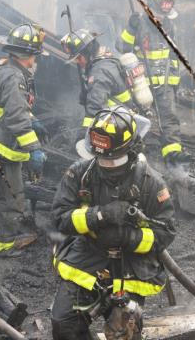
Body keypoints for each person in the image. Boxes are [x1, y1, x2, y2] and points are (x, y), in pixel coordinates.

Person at [50, 106, 176, 339]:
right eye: (101, 160)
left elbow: (166, 231)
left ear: (131, 151)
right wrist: (100, 216)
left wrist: (130, 238)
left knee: (123, 331)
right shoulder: (80, 173)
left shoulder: (151, 182)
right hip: (88, 259)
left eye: (113, 160)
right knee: (63, 324)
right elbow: (60, 217)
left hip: (130, 267)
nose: (106, 165)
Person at [0, 23, 46, 258]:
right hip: (4, 151)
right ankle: (1, 245)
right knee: (13, 199)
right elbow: (16, 116)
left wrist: (33, 119)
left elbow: (15, 110)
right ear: (29, 56)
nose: (35, 62)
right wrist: (34, 149)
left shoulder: (5, 71)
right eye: (35, 57)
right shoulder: (15, 77)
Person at [119, 0, 188, 165]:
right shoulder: (139, 24)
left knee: (169, 117)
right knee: (138, 117)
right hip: (142, 83)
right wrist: (130, 28)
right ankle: (132, 153)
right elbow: (122, 48)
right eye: (158, 13)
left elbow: (173, 56)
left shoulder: (170, 26)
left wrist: (174, 83)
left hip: (164, 83)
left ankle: (172, 154)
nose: (161, 18)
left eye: (164, 14)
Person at [60, 29, 136, 144]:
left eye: (79, 58)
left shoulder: (99, 73)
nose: (78, 62)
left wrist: (84, 136)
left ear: (88, 53)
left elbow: (95, 109)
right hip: (124, 118)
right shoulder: (107, 61)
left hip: (118, 125)